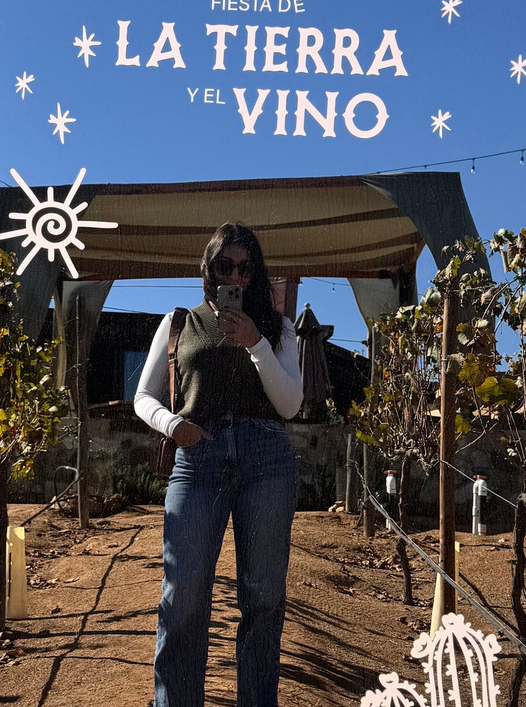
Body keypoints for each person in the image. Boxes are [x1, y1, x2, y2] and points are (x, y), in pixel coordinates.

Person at [134, 222, 303, 707]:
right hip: (198, 457)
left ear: (257, 272)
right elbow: (143, 397)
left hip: (267, 459)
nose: (237, 276)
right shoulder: (177, 323)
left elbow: (290, 404)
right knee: (182, 595)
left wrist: (256, 343)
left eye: (247, 268)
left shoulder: (278, 328)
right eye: (225, 266)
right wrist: (172, 425)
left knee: (263, 599)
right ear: (208, 269)